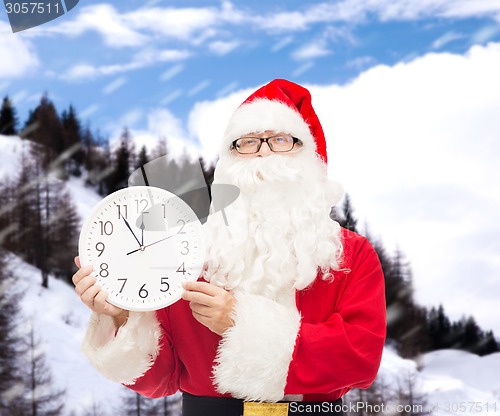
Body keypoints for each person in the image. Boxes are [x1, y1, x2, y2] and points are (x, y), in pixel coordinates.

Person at [72, 79, 386, 416]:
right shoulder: (187, 254)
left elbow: (360, 358)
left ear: (309, 157)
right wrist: (121, 317)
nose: (264, 151)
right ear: (227, 162)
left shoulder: (352, 255)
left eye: (281, 140)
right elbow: (161, 379)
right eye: (247, 142)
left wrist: (240, 321)